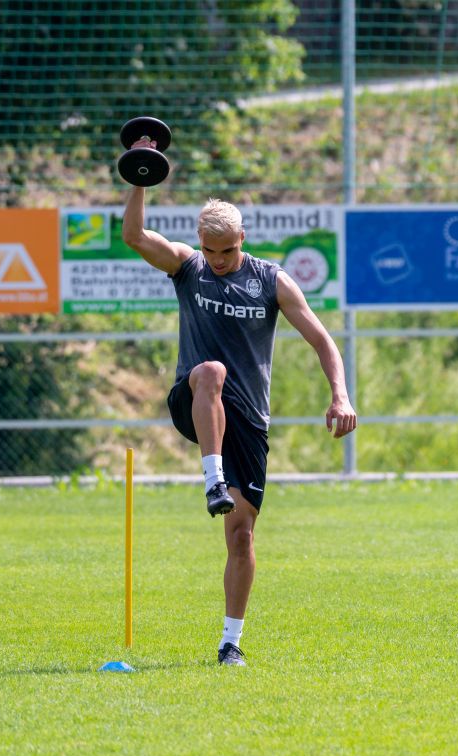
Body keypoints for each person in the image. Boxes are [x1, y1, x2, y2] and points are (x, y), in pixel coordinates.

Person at [121, 139, 357, 667]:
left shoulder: (271, 280)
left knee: (241, 535)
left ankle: (230, 642)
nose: (220, 260)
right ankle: (212, 477)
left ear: (242, 239)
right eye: (211, 251)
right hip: (195, 400)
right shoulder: (187, 268)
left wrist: (339, 394)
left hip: (248, 419)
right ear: (200, 243)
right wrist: (140, 174)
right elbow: (134, 235)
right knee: (211, 371)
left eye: (228, 251)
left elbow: (323, 340)